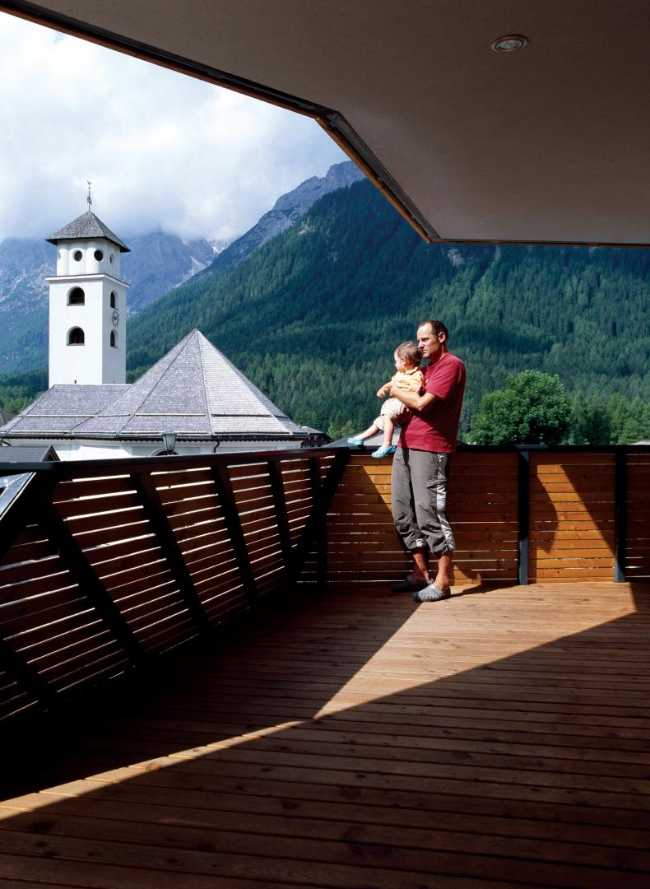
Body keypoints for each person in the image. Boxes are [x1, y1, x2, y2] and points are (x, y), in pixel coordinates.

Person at [387, 320, 466, 602]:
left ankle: (443, 582)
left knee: (429, 512)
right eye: (418, 341)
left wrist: (393, 390)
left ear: (441, 337)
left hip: (431, 448)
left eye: (424, 339)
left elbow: (421, 404)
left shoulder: (451, 365)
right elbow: (413, 409)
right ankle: (421, 574)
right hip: (405, 444)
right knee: (402, 512)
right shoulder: (425, 370)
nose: (419, 345)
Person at [347, 341, 424, 459]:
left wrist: (414, 390)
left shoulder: (416, 374)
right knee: (380, 421)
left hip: (403, 404)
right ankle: (360, 438)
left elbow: (416, 388)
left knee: (387, 416)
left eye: (396, 361)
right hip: (396, 403)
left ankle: (387, 444)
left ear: (405, 361)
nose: (395, 364)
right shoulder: (400, 374)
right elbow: (392, 383)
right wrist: (384, 388)